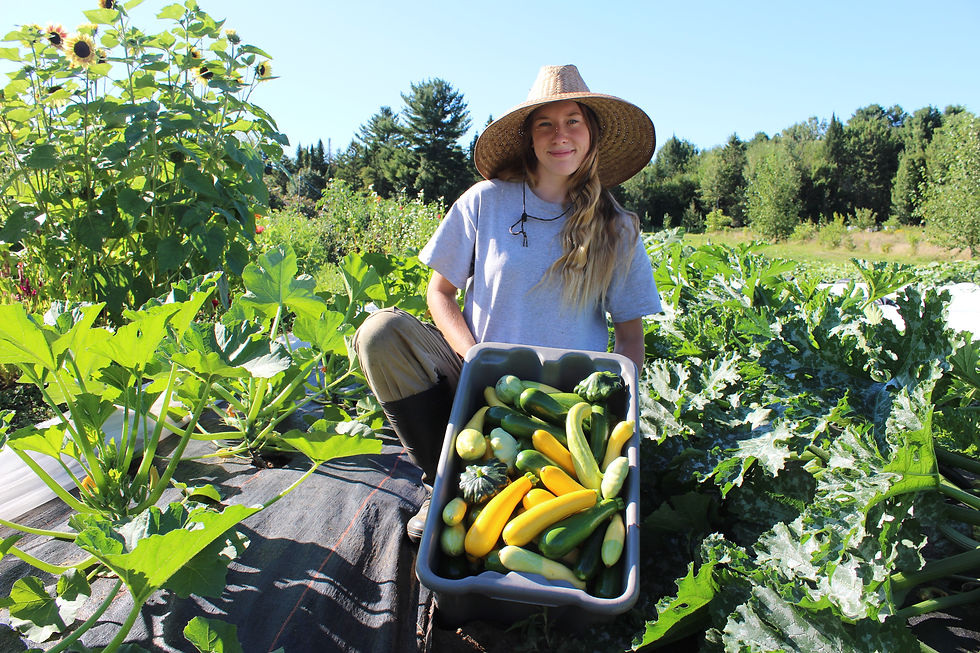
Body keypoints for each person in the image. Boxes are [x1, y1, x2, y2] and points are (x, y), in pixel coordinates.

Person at [352, 64, 661, 541]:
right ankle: (445, 479)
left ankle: (493, 487)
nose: (561, 135)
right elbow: (440, 292)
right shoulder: (485, 202)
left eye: (574, 121)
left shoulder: (617, 229)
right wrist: (472, 355)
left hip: (565, 408)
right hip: (478, 385)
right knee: (380, 333)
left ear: (592, 134)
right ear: (530, 139)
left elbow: (629, 336)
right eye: (546, 124)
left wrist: (620, 419)